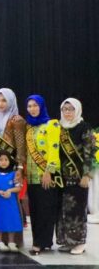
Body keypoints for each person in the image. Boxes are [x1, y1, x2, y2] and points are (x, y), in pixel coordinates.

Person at [55, 98, 95, 255]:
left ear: (77, 110)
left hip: (79, 177)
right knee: (63, 210)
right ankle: (67, 241)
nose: (68, 112)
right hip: (61, 177)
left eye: (71, 109)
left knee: (77, 210)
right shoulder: (58, 128)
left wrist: (87, 175)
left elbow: (90, 152)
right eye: (65, 109)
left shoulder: (84, 127)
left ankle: (79, 242)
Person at [0, 88, 27, 245]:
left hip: (11, 167)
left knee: (11, 202)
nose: (0, 103)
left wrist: (19, 167)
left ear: (11, 101)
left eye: (4, 100)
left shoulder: (16, 120)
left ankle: (14, 240)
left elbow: (21, 146)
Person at [24, 95, 61, 255]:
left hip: (45, 175)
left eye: (35, 105)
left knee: (46, 209)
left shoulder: (51, 124)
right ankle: (39, 240)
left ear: (41, 106)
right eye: (29, 106)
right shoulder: (29, 128)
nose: (32, 109)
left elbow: (54, 149)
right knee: (35, 211)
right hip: (31, 176)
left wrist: (49, 172)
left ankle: (41, 242)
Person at [0, 150, 23, 253]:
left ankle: (11, 242)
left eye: (6, 160)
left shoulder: (13, 174)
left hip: (11, 203)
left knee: (11, 220)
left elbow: (18, 188)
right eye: (1, 160)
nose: (3, 162)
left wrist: (9, 191)